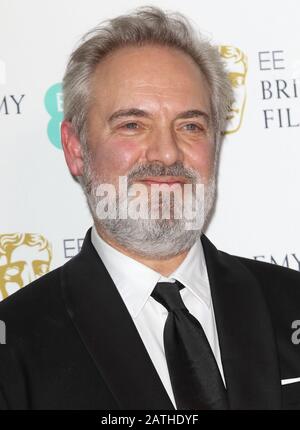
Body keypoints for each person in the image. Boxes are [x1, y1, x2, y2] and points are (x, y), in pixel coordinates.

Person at [0, 6, 300, 410]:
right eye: (132, 125)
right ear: (75, 149)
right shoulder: (14, 346)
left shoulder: (291, 301)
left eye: (190, 125)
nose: (166, 152)